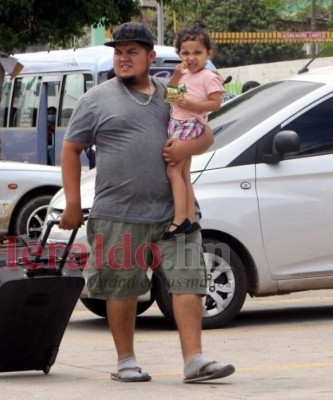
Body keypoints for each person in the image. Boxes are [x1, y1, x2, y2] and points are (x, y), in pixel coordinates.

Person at [59, 22, 234, 383]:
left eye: (132, 52)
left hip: (176, 212)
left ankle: (195, 360)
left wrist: (190, 147)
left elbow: (204, 131)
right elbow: (71, 149)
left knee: (189, 280)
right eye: (119, 52)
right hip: (118, 214)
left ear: (150, 57)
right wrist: (73, 203)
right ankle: (126, 360)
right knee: (122, 287)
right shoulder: (96, 100)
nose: (123, 58)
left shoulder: (170, 93)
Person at [163, 22, 225, 239]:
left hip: (190, 125)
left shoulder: (209, 76)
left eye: (198, 52)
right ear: (179, 53)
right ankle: (189, 218)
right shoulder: (183, 75)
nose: (191, 58)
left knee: (173, 171)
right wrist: (175, 77)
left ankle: (179, 219)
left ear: (209, 53)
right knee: (183, 173)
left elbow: (215, 103)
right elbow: (170, 97)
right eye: (185, 52)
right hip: (177, 123)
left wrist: (191, 106)